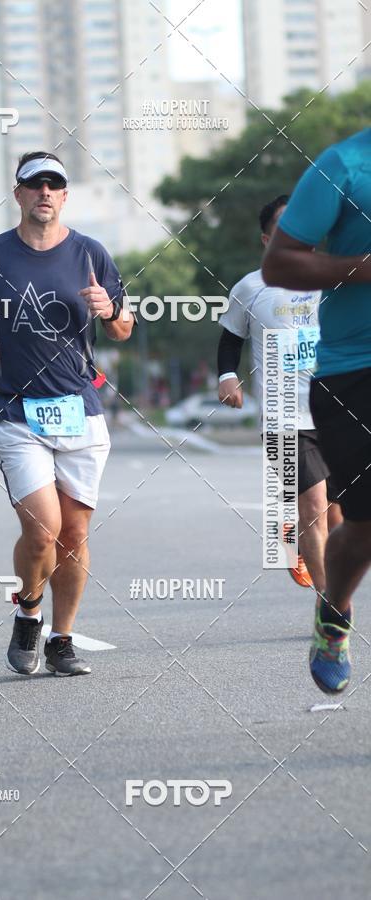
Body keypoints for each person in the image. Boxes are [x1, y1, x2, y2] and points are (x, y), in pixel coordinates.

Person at [0, 151, 134, 676]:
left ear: (64, 194)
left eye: (54, 185)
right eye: (35, 186)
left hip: (79, 408)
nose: (45, 194)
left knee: (75, 535)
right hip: (14, 410)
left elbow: (123, 328)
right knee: (43, 530)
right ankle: (28, 614)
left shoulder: (90, 253)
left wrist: (112, 311)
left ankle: (62, 638)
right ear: (18, 195)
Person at [262, 128, 371, 694]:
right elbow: (280, 264)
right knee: (363, 525)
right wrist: (363, 267)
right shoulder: (344, 167)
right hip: (356, 368)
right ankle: (335, 610)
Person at [218, 195, 342, 597]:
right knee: (316, 506)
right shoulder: (250, 288)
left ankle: (301, 538)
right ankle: (330, 607)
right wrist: (227, 377)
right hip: (283, 416)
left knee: (339, 516)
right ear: (266, 239)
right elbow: (229, 340)